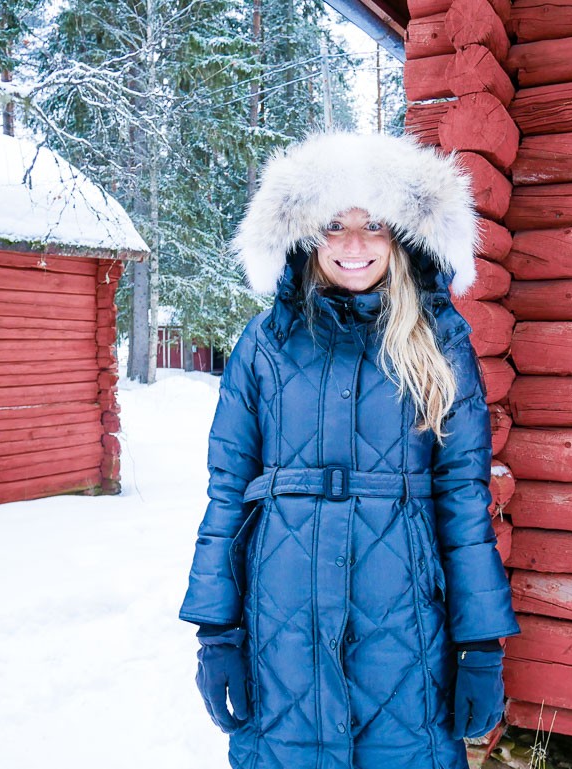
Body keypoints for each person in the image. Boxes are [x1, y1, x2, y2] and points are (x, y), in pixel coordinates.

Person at [180, 132, 520, 769]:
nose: (355, 246)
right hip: (280, 624)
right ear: (306, 234)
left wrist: (481, 643)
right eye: (335, 225)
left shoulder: (442, 342)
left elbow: (464, 500)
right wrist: (216, 630)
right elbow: (228, 490)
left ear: (404, 236)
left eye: (376, 226)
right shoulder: (264, 344)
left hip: (404, 624)